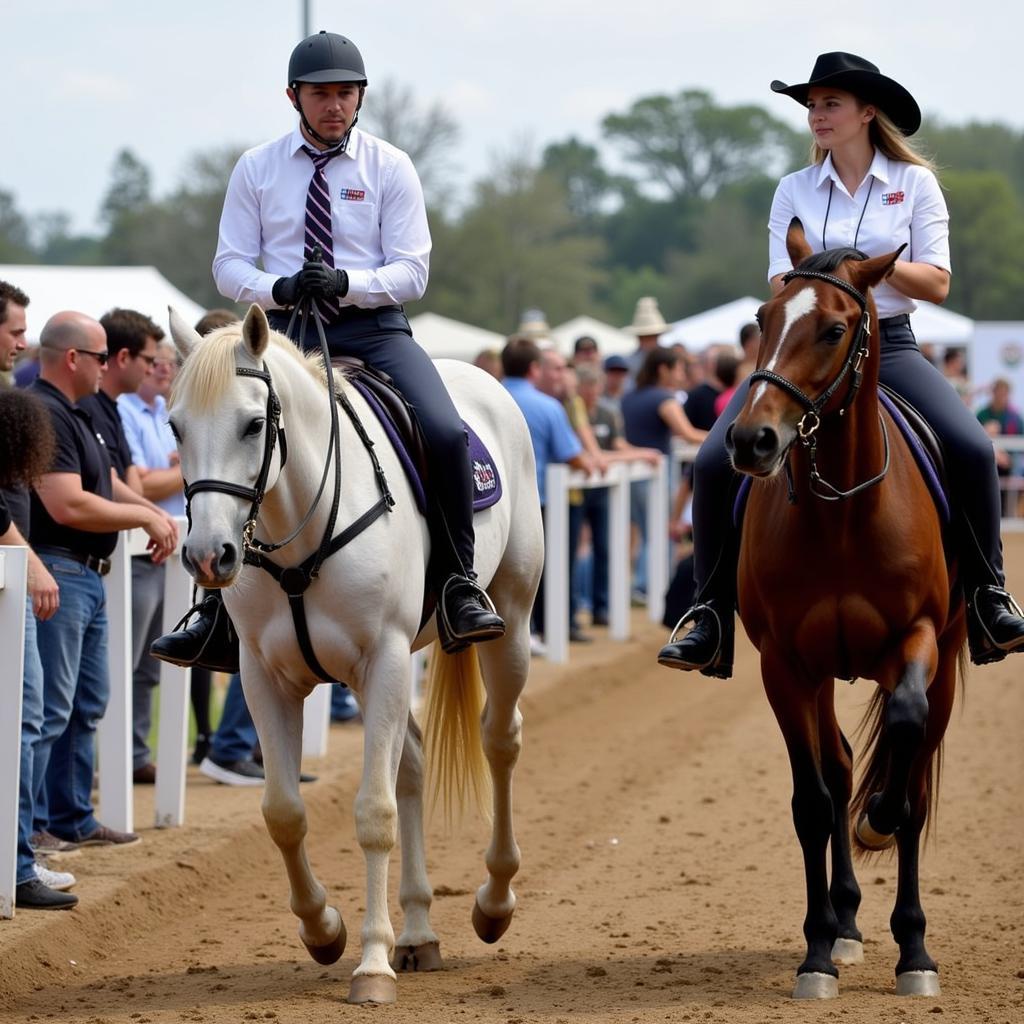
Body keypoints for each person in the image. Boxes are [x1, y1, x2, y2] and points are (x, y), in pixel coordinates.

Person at [659, 51, 1024, 675]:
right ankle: (709, 612)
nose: (816, 115)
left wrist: (854, 264)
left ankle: (990, 593)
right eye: (811, 105)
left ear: (866, 112)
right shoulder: (792, 190)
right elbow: (782, 280)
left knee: (971, 447)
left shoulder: (914, 185)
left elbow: (935, 283)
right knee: (719, 464)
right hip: (807, 344)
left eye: (830, 103)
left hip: (892, 344)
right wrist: (854, 270)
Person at [152, 30, 503, 670]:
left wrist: (350, 284)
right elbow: (228, 264)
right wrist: (276, 286)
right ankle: (215, 611)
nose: (334, 105)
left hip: (371, 328)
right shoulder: (256, 167)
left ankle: (457, 584)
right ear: (294, 96)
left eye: (345, 93)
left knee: (447, 432)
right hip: (280, 332)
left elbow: (412, 271)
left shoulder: (390, 165)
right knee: (226, 432)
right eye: (321, 94)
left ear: (361, 96)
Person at [29, 311, 178, 848]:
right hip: (62, 568)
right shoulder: (47, 412)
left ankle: (69, 818)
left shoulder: (81, 413)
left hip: (85, 574)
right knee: (50, 709)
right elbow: (67, 503)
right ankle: (36, 828)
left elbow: (109, 483)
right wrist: (146, 516)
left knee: (84, 703)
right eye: (98, 355)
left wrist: (154, 516)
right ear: (75, 359)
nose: (105, 363)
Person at [0, 281, 78, 910]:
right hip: (13, 572)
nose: (22, 342)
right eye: (14, 330)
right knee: (22, 718)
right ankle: (15, 862)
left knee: (28, 717)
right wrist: (28, 560)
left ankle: (19, 851)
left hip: (15, 570)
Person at [114, 327, 187, 785]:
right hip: (137, 552)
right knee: (128, 659)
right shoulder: (126, 410)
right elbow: (140, 486)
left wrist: (177, 470)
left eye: (168, 360)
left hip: (172, 549)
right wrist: (189, 467)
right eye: (154, 359)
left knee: (150, 665)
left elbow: (155, 479)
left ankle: (137, 754)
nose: (163, 367)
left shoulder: (164, 410)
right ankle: (119, 758)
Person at [501, 337, 596, 654]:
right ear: (533, 368)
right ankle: (534, 632)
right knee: (535, 573)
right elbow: (575, 458)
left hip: (489, 503)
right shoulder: (548, 407)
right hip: (535, 503)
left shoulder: (491, 395)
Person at [622, 348, 706, 602]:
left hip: (632, 474)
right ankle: (646, 586)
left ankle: (642, 584)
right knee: (657, 531)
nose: (681, 375)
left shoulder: (630, 397)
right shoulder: (664, 398)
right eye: (678, 368)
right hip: (655, 476)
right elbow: (687, 433)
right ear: (663, 369)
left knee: (647, 530)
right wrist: (726, 434)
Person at [623, 297, 670, 384]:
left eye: (653, 336)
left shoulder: (668, 358)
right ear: (639, 338)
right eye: (647, 337)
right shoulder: (629, 363)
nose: (651, 341)